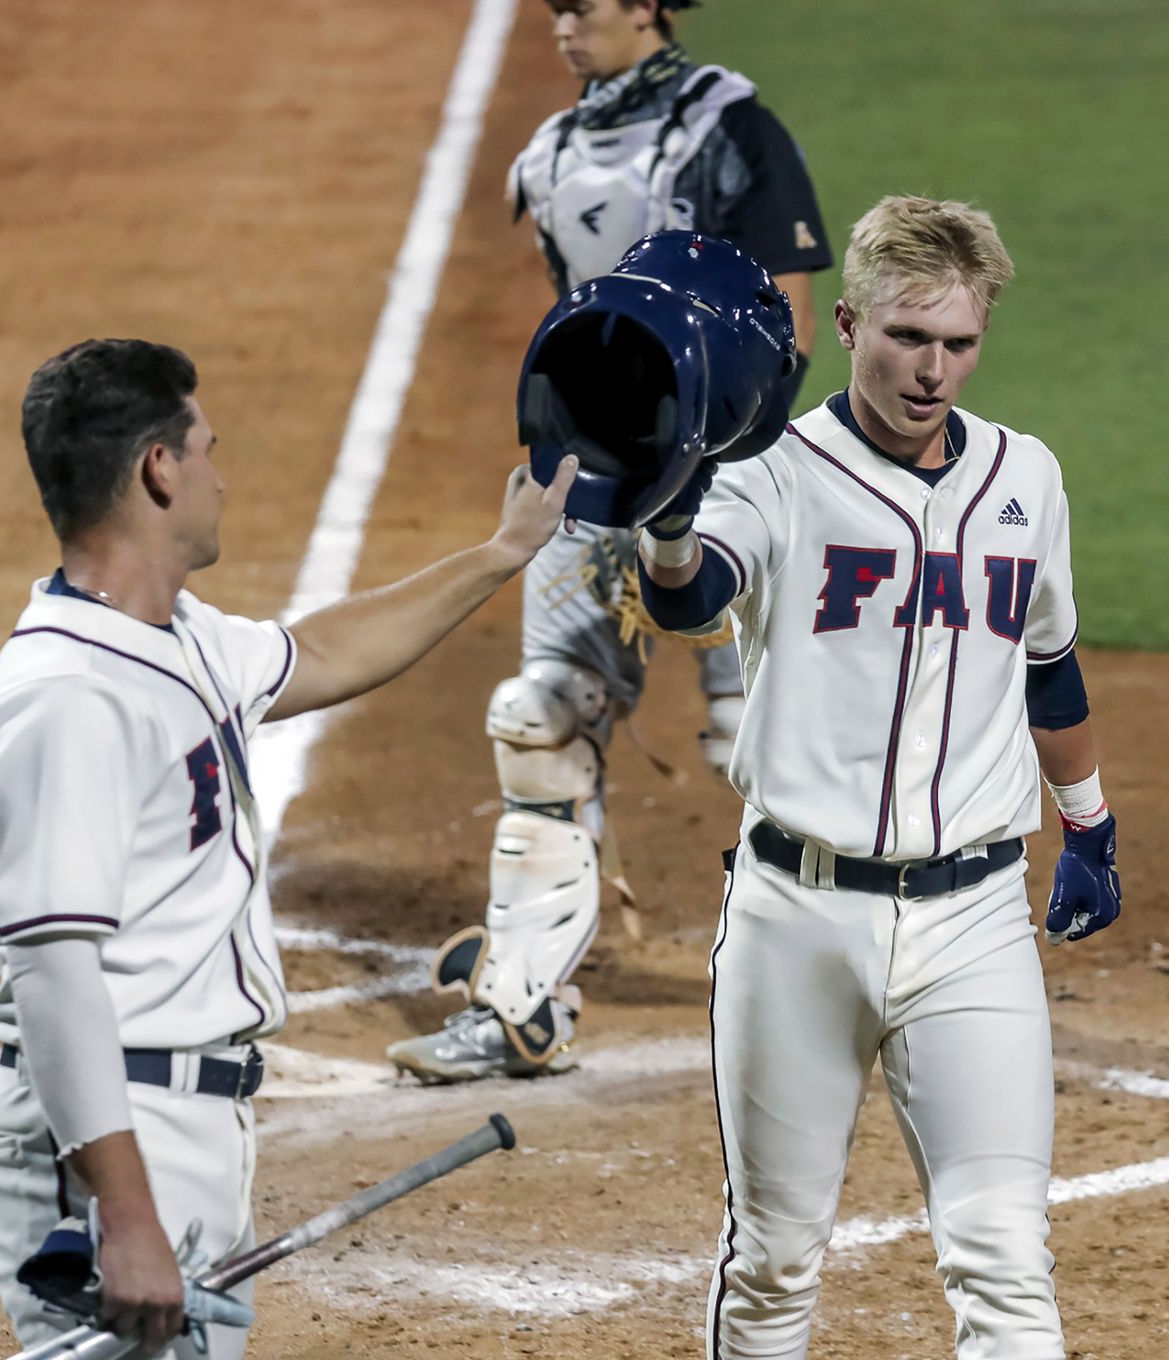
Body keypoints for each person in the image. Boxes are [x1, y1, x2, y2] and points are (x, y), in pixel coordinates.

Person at [0, 339, 575, 1358]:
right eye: (207, 449)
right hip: (113, 1143)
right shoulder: (65, 699)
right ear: (159, 467)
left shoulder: (175, 638)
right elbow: (55, 976)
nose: (221, 475)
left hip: (181, 1128)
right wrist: (130, 1215)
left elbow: (326, 649)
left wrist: (503, 551)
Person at [637, 196, 1123, 1358]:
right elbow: (691, 595)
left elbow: (1047, 667)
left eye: (958, 343)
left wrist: (1090, 824)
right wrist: (663, 516)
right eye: (909, 338)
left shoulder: (1027, 476)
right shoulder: (774, 473)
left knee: (1006, 1259)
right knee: (773, 1262)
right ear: (848, 323)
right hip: (796, 915)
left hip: (973, 923)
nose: (933, 369)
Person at [387, 0, 836, 1083]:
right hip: (602, 476)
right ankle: (523, 1001)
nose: (561, 22)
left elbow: (791, 330)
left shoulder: (731, 131)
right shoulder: (551, 157)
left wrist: (707, 499)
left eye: (583, 4)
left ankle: (876, 973)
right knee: (540, 713)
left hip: (740, 478)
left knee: (781, 745)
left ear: (648, 6)